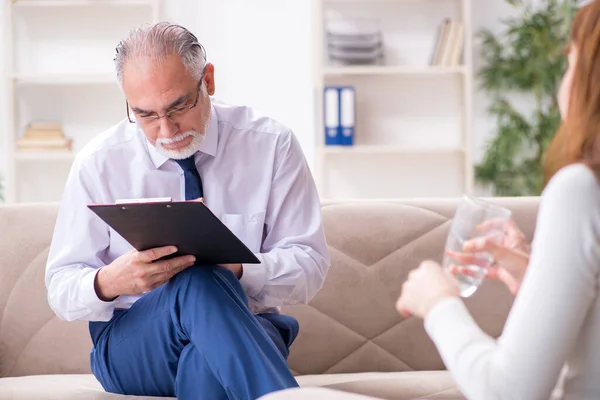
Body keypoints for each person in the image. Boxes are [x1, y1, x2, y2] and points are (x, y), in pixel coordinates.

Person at [44, 22, 330, 400]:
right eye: (145, 115)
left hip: (248, 325)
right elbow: (61, 288)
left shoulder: (271, 145)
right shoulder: (99, 163)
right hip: (135, 345)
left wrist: (238, 269)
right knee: (197, 282)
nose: (166, 130)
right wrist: (112, 282)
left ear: (207, 80)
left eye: (179, 106)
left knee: (204, 360)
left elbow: (310, 266)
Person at [396, 2, 600, 399]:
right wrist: (538, 281)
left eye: (569, 61)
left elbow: (507, 394)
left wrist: (438, 302)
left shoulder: (582, 189)